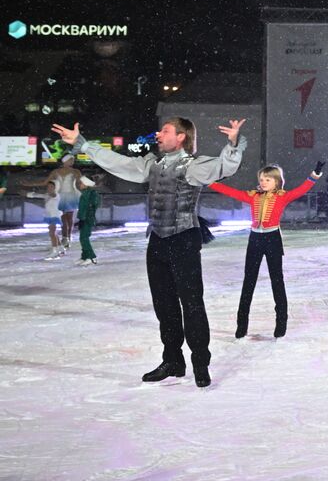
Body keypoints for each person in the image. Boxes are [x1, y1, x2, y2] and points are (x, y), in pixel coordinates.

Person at [52, 117, 246, 389]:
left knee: (191, 304)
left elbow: (224, 167)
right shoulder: (151, 165)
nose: (159, 134)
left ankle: (200, 363)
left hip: (184, 240)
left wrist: (234, 143)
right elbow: (117, 163)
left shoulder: (193, 166)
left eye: (165, 131)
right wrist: (84, 144)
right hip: (158, 241)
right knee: (164, 305)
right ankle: (173, 360)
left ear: (181, 137)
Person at [207, 161, 324, 338]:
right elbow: (230, 191)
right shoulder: (253, 196)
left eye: (267, 180)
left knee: (277, 281)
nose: (263, 182)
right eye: (261, 179)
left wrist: (314, 174)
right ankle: (242, 324)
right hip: (255, 239)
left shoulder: (282, 196)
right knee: (249, 281)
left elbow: (302, 189)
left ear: (276, 182)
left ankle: (281, 321)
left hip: (272, 239)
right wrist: (208, 181)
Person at [27, 181, 63, 258]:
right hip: (49, 216)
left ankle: (55, 251)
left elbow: (51, 195)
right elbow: (39, 195)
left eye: (51, 187)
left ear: (55, 188)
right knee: (53, 232)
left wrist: (50, 193)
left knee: (52, 233)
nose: (49, 188)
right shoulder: (47, 195)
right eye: (48, 187)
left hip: (54, 216)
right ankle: (61, 248)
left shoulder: (56, 195)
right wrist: (28, 194)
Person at [75, 175, 101, 264]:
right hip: (83, 218)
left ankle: (91, 257)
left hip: (88, 218)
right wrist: (81, 218)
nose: (80, 185)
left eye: (81, 183)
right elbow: (82, 207)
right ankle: (84, 256)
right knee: (82, 238)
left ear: (86, 184)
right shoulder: (85, 193)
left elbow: (92, 205)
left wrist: (85, 217)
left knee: (84, 238)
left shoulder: (91, 193)